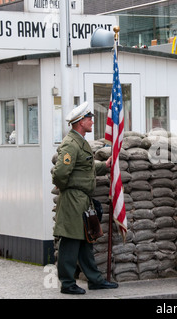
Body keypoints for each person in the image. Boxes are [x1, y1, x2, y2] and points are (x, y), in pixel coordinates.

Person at [52, 101, 119, 294]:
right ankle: (67, 283)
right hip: (73, 199)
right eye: (89, 118)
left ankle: (94, 279)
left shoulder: (81, 142)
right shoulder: (71, 144)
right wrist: (67, 188)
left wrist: (104, 166)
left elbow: (85, 167)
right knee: (70, 241)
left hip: (82, 200)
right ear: (80, 122)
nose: (92, 120)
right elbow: (60, 173)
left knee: (85, 241)